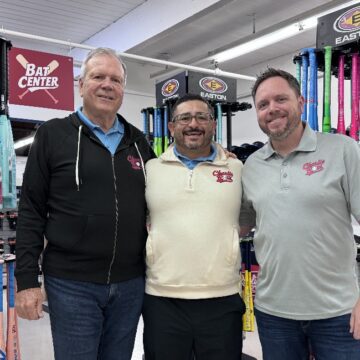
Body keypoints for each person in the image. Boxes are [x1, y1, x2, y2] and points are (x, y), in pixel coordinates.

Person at [14, 47, 155, 360]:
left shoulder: (137, 142)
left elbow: (164, 194)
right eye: (98, 76)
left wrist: (211, 158)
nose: (107, 84)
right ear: (80, 84)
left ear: (123, 89)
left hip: (130, 283)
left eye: (115, 79)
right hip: (71, 284)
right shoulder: (53, 135)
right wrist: (26, 281)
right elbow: (31, 210)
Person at [239, 68, 360, 360]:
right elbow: (238, 226)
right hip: (274, 313)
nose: (272, 109)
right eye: (263, 104)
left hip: (338, 314)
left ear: (301, 102)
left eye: (281, 99)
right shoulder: (251, 166)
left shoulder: (342, 149)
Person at [143, 93, 246, 360]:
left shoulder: (236, 169)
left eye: (202, 117)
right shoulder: (150, 169)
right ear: (171, 127)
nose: (193, 124)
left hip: (222, 297)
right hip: (162, 298)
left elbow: (248, 216)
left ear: (213, 125)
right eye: (185, 118)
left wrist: (228, 243)